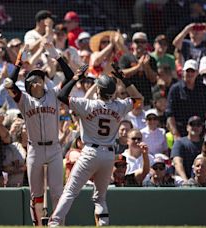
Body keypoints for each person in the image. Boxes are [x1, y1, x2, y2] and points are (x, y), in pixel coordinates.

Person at [48, 64, 143, 226]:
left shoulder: (87, 105)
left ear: (98, 90)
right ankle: (104, 223)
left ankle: (54, 223)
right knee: (100, 196)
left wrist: (76, 78)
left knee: (70, 191)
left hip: (91, 152)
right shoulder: (119, 106)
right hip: (108, 156)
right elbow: (138, 99)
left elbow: (62, 95)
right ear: (112, 92)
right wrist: (124, 79)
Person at [4, 43, 73, 225]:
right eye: (34, 78)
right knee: (36, 194)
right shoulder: (24, 100)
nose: (38, 80)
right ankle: (38, 224)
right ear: (27, 84)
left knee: (58, 192)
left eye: (41, 77)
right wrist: (19, 63)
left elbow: (71, 77)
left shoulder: (55, 94)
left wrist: (57, 57)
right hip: (34, 149)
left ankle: (58, 224)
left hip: (54, 149)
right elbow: (9, 83)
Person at [166, 59, 206, 138]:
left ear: (197, 73)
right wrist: (175, 134)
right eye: (188, 71)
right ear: (183, 72)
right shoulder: (175, 89)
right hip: (181, 132)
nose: (190, 74)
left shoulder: (203, 88)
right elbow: (170, 114)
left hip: (200, 133)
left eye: (192, 71)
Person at [119, 32, 157, 108]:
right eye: (137, 42)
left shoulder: (151, 59)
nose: (140, 44)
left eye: (142, 42)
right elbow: (121, 74)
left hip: (145, 100)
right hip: (128, 100)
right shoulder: (125, 58)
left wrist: (146, 66)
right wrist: (138, 66)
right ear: (132, 44)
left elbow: (153, 80)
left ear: (146, 44)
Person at [170, 116, 204, 183]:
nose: (195, 127)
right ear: (187, 127)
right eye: (192, 124)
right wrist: (185, 180)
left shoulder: (205, 143)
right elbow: (177, 163)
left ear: (202, 128)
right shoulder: (179, 142)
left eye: (198, 125)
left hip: (201, 181)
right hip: (182, 181)